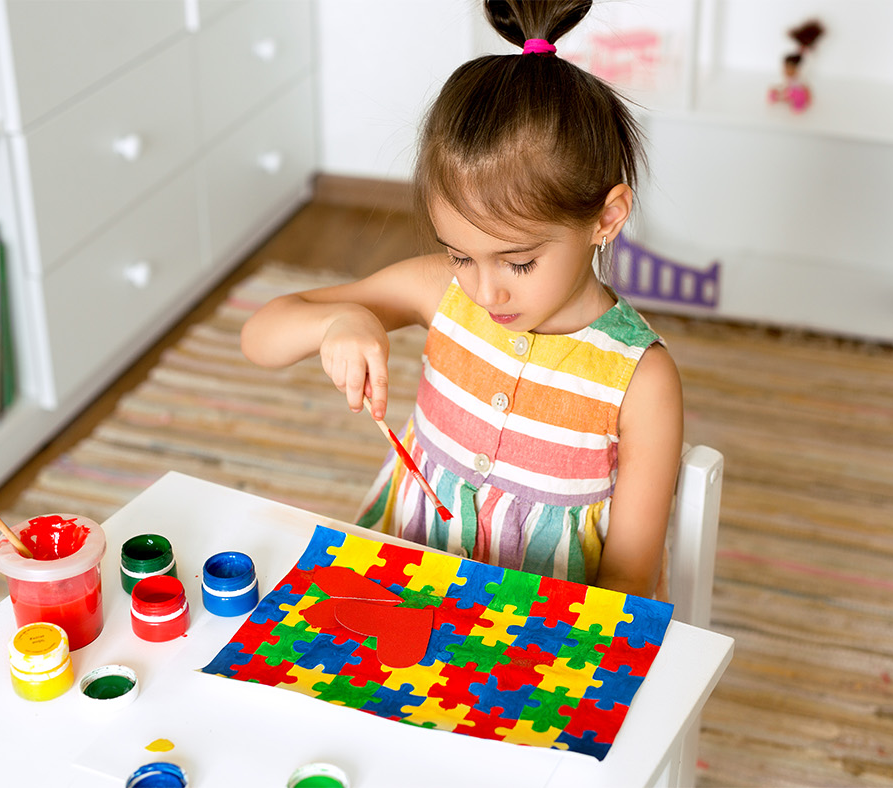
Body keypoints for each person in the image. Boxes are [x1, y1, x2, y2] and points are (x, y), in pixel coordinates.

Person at [241, 0, 683, 599]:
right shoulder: (440, 293)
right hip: (401, 602)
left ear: (606, 218)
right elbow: (261, 336)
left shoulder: (641, 380)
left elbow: (629, 581)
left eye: (519, 261)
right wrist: (341, 322)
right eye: (459, 255)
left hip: (538, 650)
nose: (485, 289)